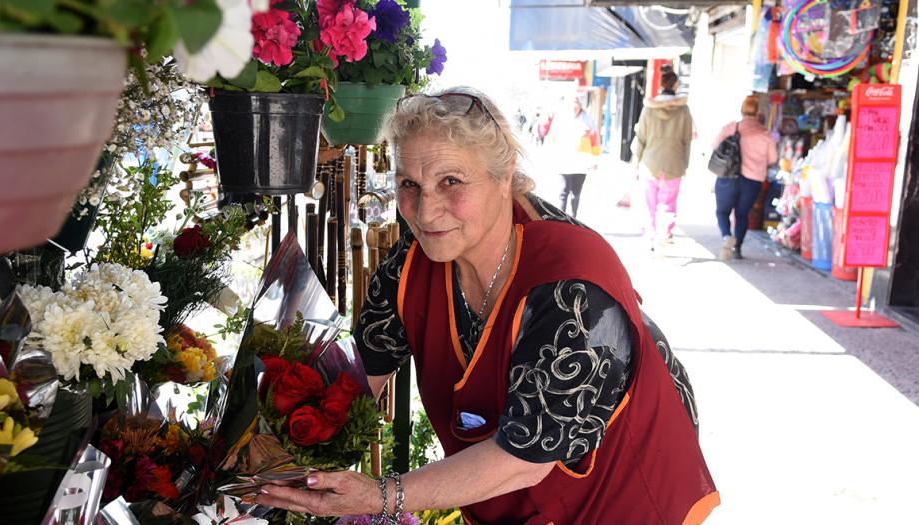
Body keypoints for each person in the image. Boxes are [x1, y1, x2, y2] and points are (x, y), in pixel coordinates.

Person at [257, 87, 718, 524]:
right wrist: (266, 445)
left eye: (451, 181)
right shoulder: (412, 264)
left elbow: (524, 459)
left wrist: (381, 496)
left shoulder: (573, 286)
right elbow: (356, 380)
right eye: (409, 184)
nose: (424, 209)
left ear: (504, 175)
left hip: (618, 496)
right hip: (510, 502)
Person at [632, 66, 693, 249]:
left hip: (650, 163)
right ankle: (664, 233)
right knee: (668, 202)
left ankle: (650, 235)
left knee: (649, 202)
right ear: (675, 84)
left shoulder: (648, 109)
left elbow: (641, 138)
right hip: (674, 163)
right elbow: (687, 140)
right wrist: (685, 164)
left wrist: (636, 163)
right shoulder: (684, 110)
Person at [711, 95, 779, 260]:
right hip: (752, 181)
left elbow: (715, 146)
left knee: (722, 212)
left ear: (742, 110)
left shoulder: (731, 128)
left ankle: (727, 237)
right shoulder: (765, 135)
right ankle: (737, 248)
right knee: (742, 215)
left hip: (727, 177)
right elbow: (773, 159)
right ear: (758, 113)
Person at [547, 95, 599, 218]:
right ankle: (561, 219)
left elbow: (595, 141)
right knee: (563, 192)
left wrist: (595, 159)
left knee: (576, 193)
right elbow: (552, 139)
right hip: (565, 161)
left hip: (582, 163)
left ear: (581, 106)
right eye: (572, 106)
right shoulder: (560, 119)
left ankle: (573, 217)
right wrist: (552, 156)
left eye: (577, 106)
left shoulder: (588, 120)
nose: (574, 109)